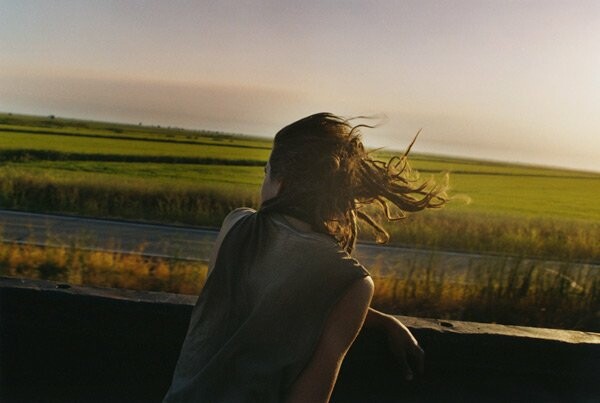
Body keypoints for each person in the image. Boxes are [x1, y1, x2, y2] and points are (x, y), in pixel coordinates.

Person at [164, 113, 447, 402]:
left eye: (266, 173)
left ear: (282, 183)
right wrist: (383, 320)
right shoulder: (351, 282)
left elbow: (263, 294)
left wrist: (379, 319)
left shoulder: (236, 226)